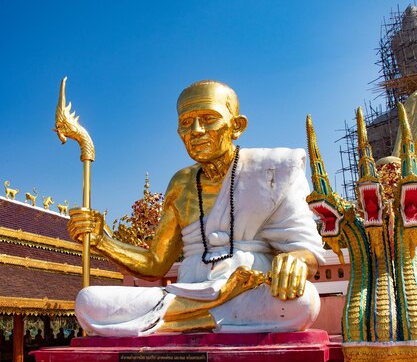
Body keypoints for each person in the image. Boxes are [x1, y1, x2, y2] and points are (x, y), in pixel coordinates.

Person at [69, 80, 324, 336]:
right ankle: (208, 314)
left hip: (250, 291)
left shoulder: (273, 170)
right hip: (189, 293)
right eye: (186, 123)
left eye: (209, 118)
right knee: (88, 302)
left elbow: (307, 250)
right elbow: (156, 264)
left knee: (303, 303)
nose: (196, 131)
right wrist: (102, 240)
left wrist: (295, 260)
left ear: (237, 126)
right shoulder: (181, 183)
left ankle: (161, 324)